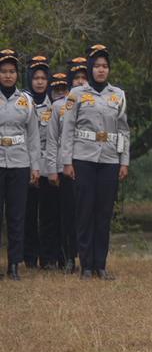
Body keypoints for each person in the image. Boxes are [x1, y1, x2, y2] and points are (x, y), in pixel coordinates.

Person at [59, 44, 130, 280]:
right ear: (90, 68)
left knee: (104, 212)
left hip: (109, 159)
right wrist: (66, 161)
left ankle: (101, 264)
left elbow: (123, 130)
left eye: (105, 66)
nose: (101, 70)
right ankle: (86, 265)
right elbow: (68, 129)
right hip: (83, 158)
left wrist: (124, 161)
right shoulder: (76, 94)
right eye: (97, 66)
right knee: (85, 211)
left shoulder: (118, 95)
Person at [0, 49, 40, 280]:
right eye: (4, 71)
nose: (8, 75)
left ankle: (14, 264)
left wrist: (35, 167)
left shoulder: (26, 101)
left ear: (17, 74)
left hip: (19, 162)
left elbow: (33, 136)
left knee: (16, 216)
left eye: (12, 71)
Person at [22, 55, 59, 269]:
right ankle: (29, 256)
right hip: (25, 164)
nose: (39, 82)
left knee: (48, 214)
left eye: (43, 78)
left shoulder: (53, 104)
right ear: (29, 78)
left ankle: (47, 257)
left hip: (47, 167)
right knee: (27, 214)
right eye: (35, 78)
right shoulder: (22, 102)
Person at [57, 61, 87, 274]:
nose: (80, 82)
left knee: (86, 213)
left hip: (89, 162)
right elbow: (61, 137)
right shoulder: (64, 104)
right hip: (69, 165)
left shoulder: (96, 101)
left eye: (83, 77)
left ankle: (87, 257)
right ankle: (68, 256)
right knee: (67, 213)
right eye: (76, 78)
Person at [45, 72, 69, 270]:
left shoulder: (74, 106)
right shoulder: (52, 108)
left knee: (69, 215)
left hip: (72, 167)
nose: (60, 93)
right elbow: (51, 142)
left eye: (63, 89)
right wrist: (51, 169)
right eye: (56, 90)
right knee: (52, 216)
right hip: (54, 168)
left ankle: (68, 256)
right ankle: (53, 257)